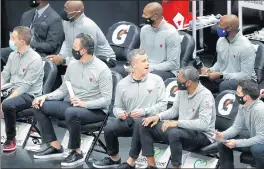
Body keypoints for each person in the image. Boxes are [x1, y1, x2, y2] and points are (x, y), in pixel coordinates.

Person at [31, 33, 113, 166]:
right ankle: (55, 147)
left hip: (96, 110)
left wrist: (84, 103)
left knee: (71, 112)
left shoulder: (102, 69)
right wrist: (44, 96)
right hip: (74, 106)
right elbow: (63, 90)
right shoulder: (73, 64)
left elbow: (106, 100)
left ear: (83, 50)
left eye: (74, 47)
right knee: (38, 104)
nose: (72, 49)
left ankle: (77, 152)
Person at [112, 66, 216, 169]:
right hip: (183, 130)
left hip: (203, 136)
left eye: (179, 80)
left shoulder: (205, 96)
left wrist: (176, 123)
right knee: (142, 122)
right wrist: (157, 116)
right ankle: (150, 165)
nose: (177, 82)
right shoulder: (183, 91)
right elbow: (174, 111)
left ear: (188, 83)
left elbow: (203, 124)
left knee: (174, 133)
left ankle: (176, 167)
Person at [93, 49, 167, 168]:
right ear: (134, 65)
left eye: (147, 60)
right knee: (109, 128)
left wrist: (144, 111)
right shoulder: (122, 84)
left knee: (139, 123)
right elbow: (116, 107)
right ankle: (114, 159)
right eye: (143, 61)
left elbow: (163, 104)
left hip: (150, 121)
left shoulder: (156, 80)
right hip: (130, 120)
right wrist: (120, 113)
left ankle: (130, 163)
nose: (147, 63)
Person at [1, 26, 44, 152]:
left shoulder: (35, 59)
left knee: (8, 104)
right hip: (12, 88)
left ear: (22, 42)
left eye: (13, 38)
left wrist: (5, 100)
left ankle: (11, 138)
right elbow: (5, 74)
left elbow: (25, 86)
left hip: (29, 95)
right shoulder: (12, 55)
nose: (10, 40)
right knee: (7, 101)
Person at [200, 14, 257, 93]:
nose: (218, 27)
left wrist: (222, 75)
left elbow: (246, 76)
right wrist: (210, 70)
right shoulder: (221, 41)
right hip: (225, 77)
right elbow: (220, 63)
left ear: (229, 28)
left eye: (220, 25)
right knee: (203, 82)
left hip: (246, 82)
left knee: (225, 85)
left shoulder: (246, 47)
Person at [216, 80, 264, 169]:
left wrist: (237, 143)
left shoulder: (260, 110)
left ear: (246, 97)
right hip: (255, 137)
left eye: (238, 93)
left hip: (261, 141)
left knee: (256, 149)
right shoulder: (243, 106)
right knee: (223, 142)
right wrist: (223, 134)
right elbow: (236, 127)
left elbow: (261, 138)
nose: (236, 95)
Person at [1, 0, 64, 67]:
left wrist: (28, 43)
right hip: (20, 47)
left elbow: (51, 46)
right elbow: (20, 33)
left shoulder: (55, 18)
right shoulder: (26, 15)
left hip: (39, 52)